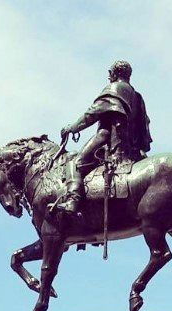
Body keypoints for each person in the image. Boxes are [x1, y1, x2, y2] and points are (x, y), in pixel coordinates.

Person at [56, 60, 152, 215]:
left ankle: (73, 201)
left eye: (110, 73)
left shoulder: (114, 88)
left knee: (75, 163)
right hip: (132, 147)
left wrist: (72, 127)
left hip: (109, 139)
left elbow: (92, 113)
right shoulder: (137, 96)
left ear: (115, 73)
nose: (109, 77)